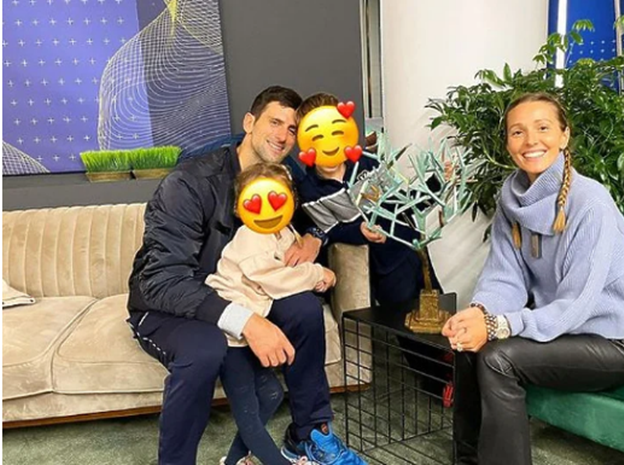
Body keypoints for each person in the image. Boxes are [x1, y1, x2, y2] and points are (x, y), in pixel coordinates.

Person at [127, 86, 365, 465]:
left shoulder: (286, 175)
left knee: (304, 310)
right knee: (205, 349)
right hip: (173, 304)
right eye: (275, 122)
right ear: (249, 122)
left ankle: (308, 434)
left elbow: (319, 214)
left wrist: (314, 236)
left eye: (292, 129)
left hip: (248, 291)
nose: (283, 136)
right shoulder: (189, 183)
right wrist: (247, 323)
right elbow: (162, 280)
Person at [442, 92, 624, 465]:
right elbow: (505, 276)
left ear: (564, 136)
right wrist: (479, 314)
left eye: (543, 128)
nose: (530, 141)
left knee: (498, 358)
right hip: (560, 331)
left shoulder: (591, 204)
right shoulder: (511, 198)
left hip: (611, 342)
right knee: (468, 346)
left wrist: (500, 325)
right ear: (507, 143)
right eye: (517, 132)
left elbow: (575, 305)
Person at [295, 92, 451, 399]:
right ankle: (436, 383)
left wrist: (437, 183)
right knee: (405, 321)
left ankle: (453, 361)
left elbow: (403, 200)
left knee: (436, 305)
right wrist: (359, 231)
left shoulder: (367, 163)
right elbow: (330, 230)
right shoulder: (310, 189)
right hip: (382, 265)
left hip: (411, 246)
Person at [204, 162, 337, 465]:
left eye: (277, 200)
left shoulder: (283, 230)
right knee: (249, 414)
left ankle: (234, 461)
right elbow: (276, 279)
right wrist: (318, 274)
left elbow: (290, 268)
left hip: (251, 328)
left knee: (272, 395)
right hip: (231, 334)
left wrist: (312, 267)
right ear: (240, 209)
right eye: (256, 202)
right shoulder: (250, 237)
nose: (268, 210)